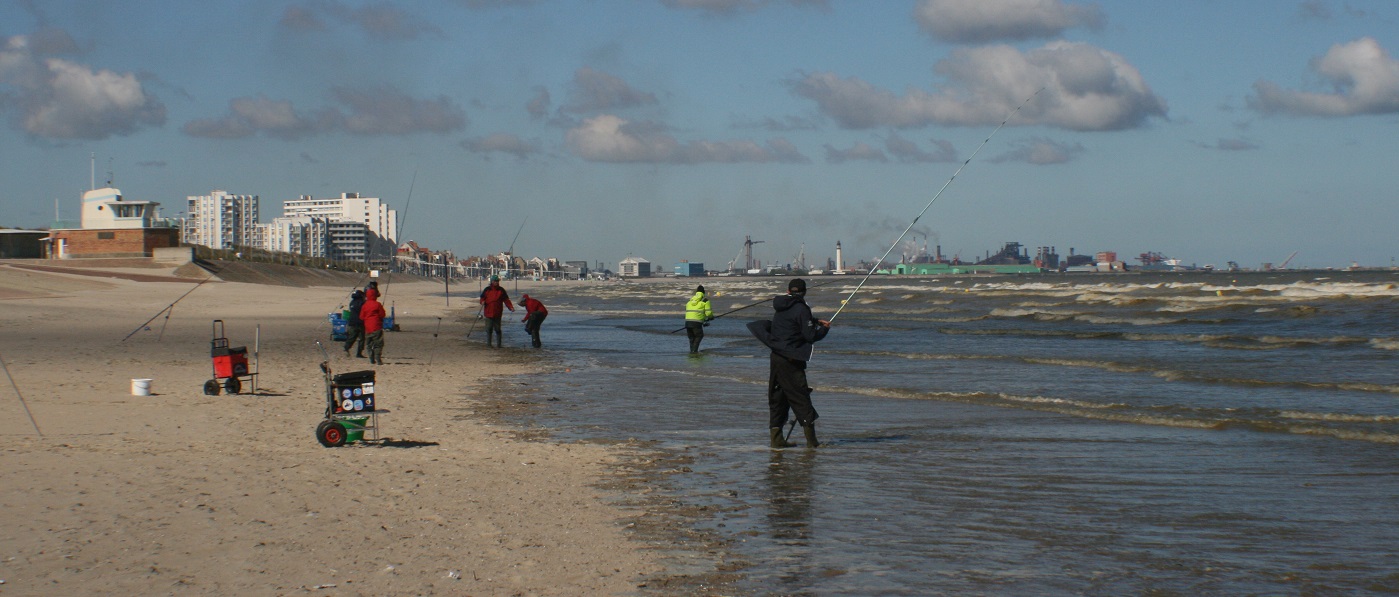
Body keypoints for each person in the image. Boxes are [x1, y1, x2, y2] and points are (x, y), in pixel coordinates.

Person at [747, 278, 830, 449]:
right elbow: (810, 337)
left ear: (788, 291)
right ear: (804, 292)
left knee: (778, 397)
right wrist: (824, 329)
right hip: (791, 360)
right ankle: (812, 442)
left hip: (776, 357)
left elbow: (791, 322)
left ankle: (776, 440)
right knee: (800, 396)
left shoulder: (781, 306)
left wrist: (814, 321)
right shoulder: (801, 308)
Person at [479, 275, 514, 348]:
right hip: (488, 312)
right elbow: (482, 298)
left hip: (498, 312)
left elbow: (506, 300)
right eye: (495, 281)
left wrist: (510, 307)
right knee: (489, 329)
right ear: (492, 281)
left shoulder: (501, 290)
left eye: (497, 281)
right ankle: (489, 344)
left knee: (498, 329)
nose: (496, 282)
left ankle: (499, 345)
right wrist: (482, 302)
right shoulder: (487, 289)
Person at [360, 287, 387, 365]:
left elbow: (361, 317)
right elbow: (382, 314)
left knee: (369, 344)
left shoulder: (365, 305)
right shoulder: (377, 304)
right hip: (377, 327)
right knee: (378, 343)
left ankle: (371, 358)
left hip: (368, 328)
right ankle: (377, 357)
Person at [684, 285, 714, 354]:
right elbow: (708, 313)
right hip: (697, 323)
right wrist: (711, 317)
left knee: (691, 338)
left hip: (687, 322)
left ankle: (692, 351)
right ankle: (694, 352)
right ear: (703, 292)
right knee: (699, 336)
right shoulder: (705, 301)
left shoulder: (690, 301)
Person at [343, 289, 366, 358]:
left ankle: (346, 348)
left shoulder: (352, 302)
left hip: (352, 322)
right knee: (361, 338)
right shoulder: (361, 303)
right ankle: (359, 353)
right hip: (359, 322)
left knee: (352, 337)